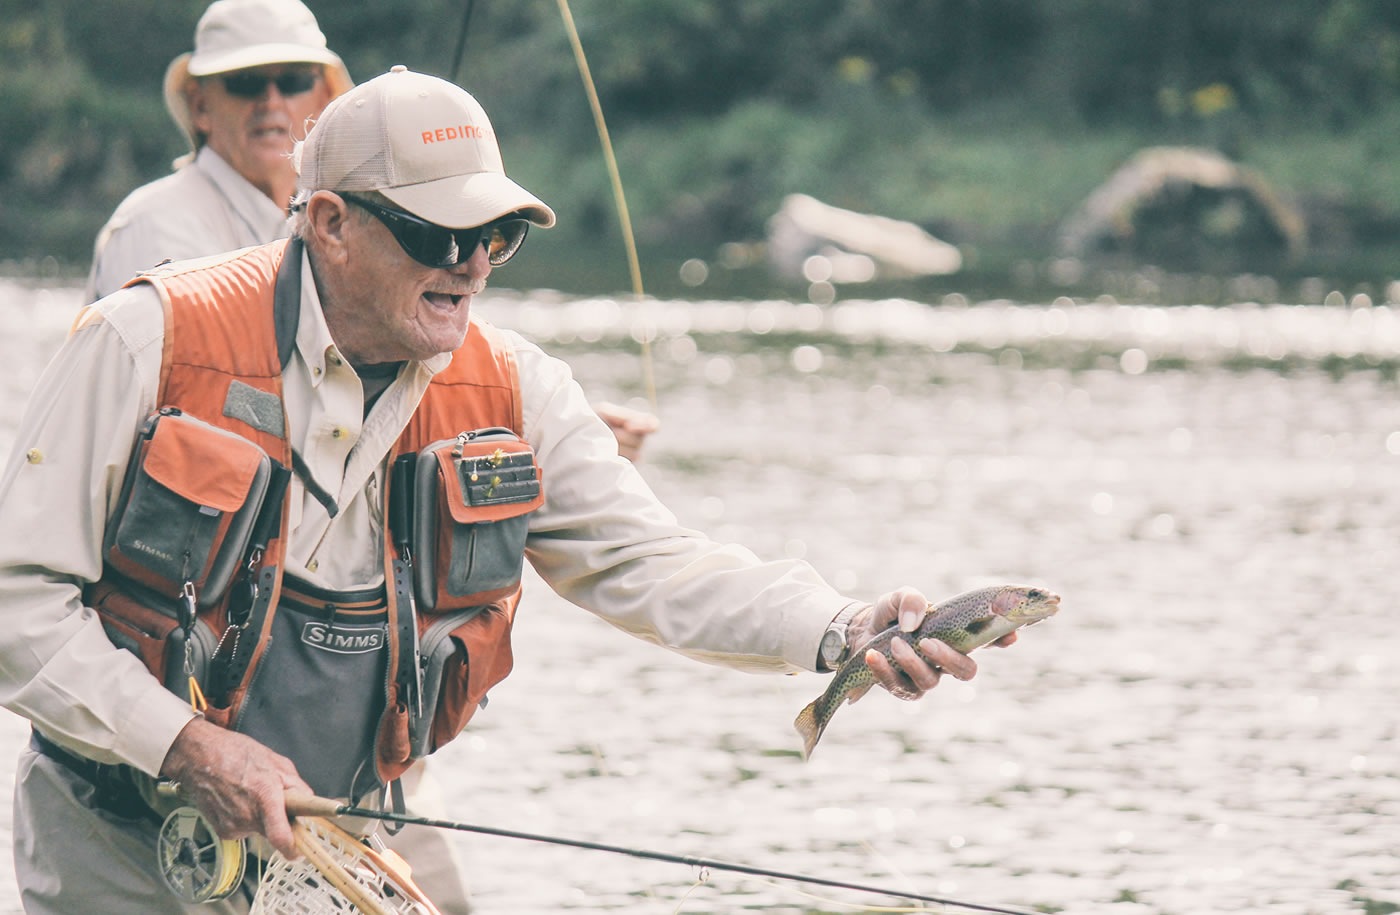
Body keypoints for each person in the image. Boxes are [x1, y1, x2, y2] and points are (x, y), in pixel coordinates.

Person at [0, 68, 1014, 913]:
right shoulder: (147, 341)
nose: (472, 265)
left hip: (353, 830)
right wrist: (185, 747)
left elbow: (655, 564)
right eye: (438, 235)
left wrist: (842, 629)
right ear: (329, 223)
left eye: (495, 235)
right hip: (116, 837)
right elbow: (15, 602)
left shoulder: (514, 387)